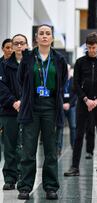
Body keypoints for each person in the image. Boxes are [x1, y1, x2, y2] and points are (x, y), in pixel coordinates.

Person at [16, 24, 68, 200]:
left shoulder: (59, 59)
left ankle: (51, 187)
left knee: (51, 151)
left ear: (52, 38)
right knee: (28, 150)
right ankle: (24, 187)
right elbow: (21, 79)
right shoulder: (28, 57)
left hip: (51, 108)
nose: (45, 36)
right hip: (32, 107)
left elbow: (62, 81)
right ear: (36, 38)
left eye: (48, 34)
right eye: (41, 34)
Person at [64, 32, 97, 177]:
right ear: (86, 46)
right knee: (79, 135)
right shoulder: (80, 62)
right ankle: (74, 167)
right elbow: (76, 84)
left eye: (94, 47)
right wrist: (86, 100)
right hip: (83, 104)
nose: (91, 50)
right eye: (89, 47)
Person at [0, 34, 27, 190]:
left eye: (20, 43)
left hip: (27, 110)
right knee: (10, 146)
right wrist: (14, 102)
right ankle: (10, 178)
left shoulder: (31, 63)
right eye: (14, 44)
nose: (17, 46)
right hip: (8, 111)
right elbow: (1, 87)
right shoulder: (4, 65)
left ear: (26, 45)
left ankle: (23, 176)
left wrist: (24, 101)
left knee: (25, 146)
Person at [56, 64, 77, 155]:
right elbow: (57, 94)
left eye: (67, 70)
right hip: (61, 106)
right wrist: (62, 104)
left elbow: (76, 94)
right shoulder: (59, 81)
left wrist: (69, 104)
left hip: (71, 106)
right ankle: (58, 148)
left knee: (73, 126)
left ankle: (74, 146)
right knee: (60, 126)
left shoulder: (73, 81)